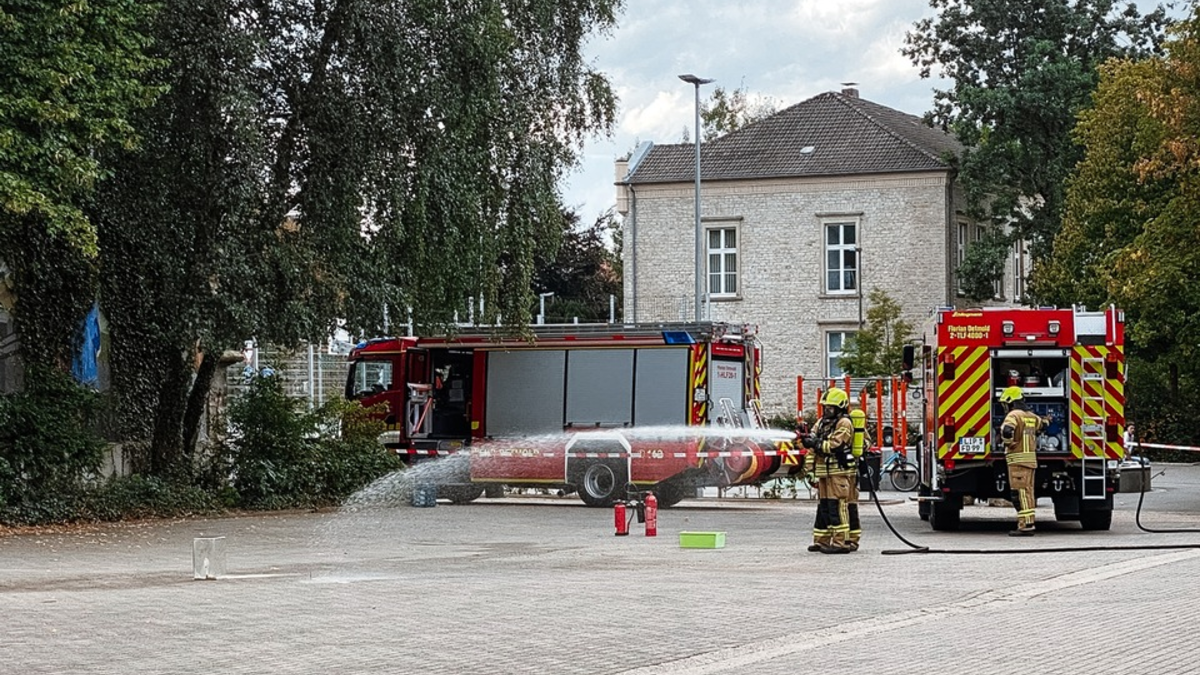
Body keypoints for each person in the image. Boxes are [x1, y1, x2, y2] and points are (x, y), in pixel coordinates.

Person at [801, 388, 859, 554]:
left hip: (839, 472)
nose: (826, 411)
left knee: (838, 506)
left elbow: (835, 445)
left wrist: (816, 443)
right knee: (824, 507)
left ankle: (842, 543)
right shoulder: (821, 423)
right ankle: (822, 540)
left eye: (830, 408)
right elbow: (812, 446)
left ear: (840, 407)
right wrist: (809, 469)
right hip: (823, 473)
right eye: (825, 407)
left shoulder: (844, 423)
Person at [999, 386, 1048, 536]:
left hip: (1017, 461)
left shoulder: (1013, 416)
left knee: (1019, 494)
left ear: (1010, 401)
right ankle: (1028, 522)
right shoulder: (1031, 416)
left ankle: (1025, 526)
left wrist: (1009, 443)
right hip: (1031, 461)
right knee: (1028, 493)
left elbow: (1007, 430)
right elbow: (1044, 424)